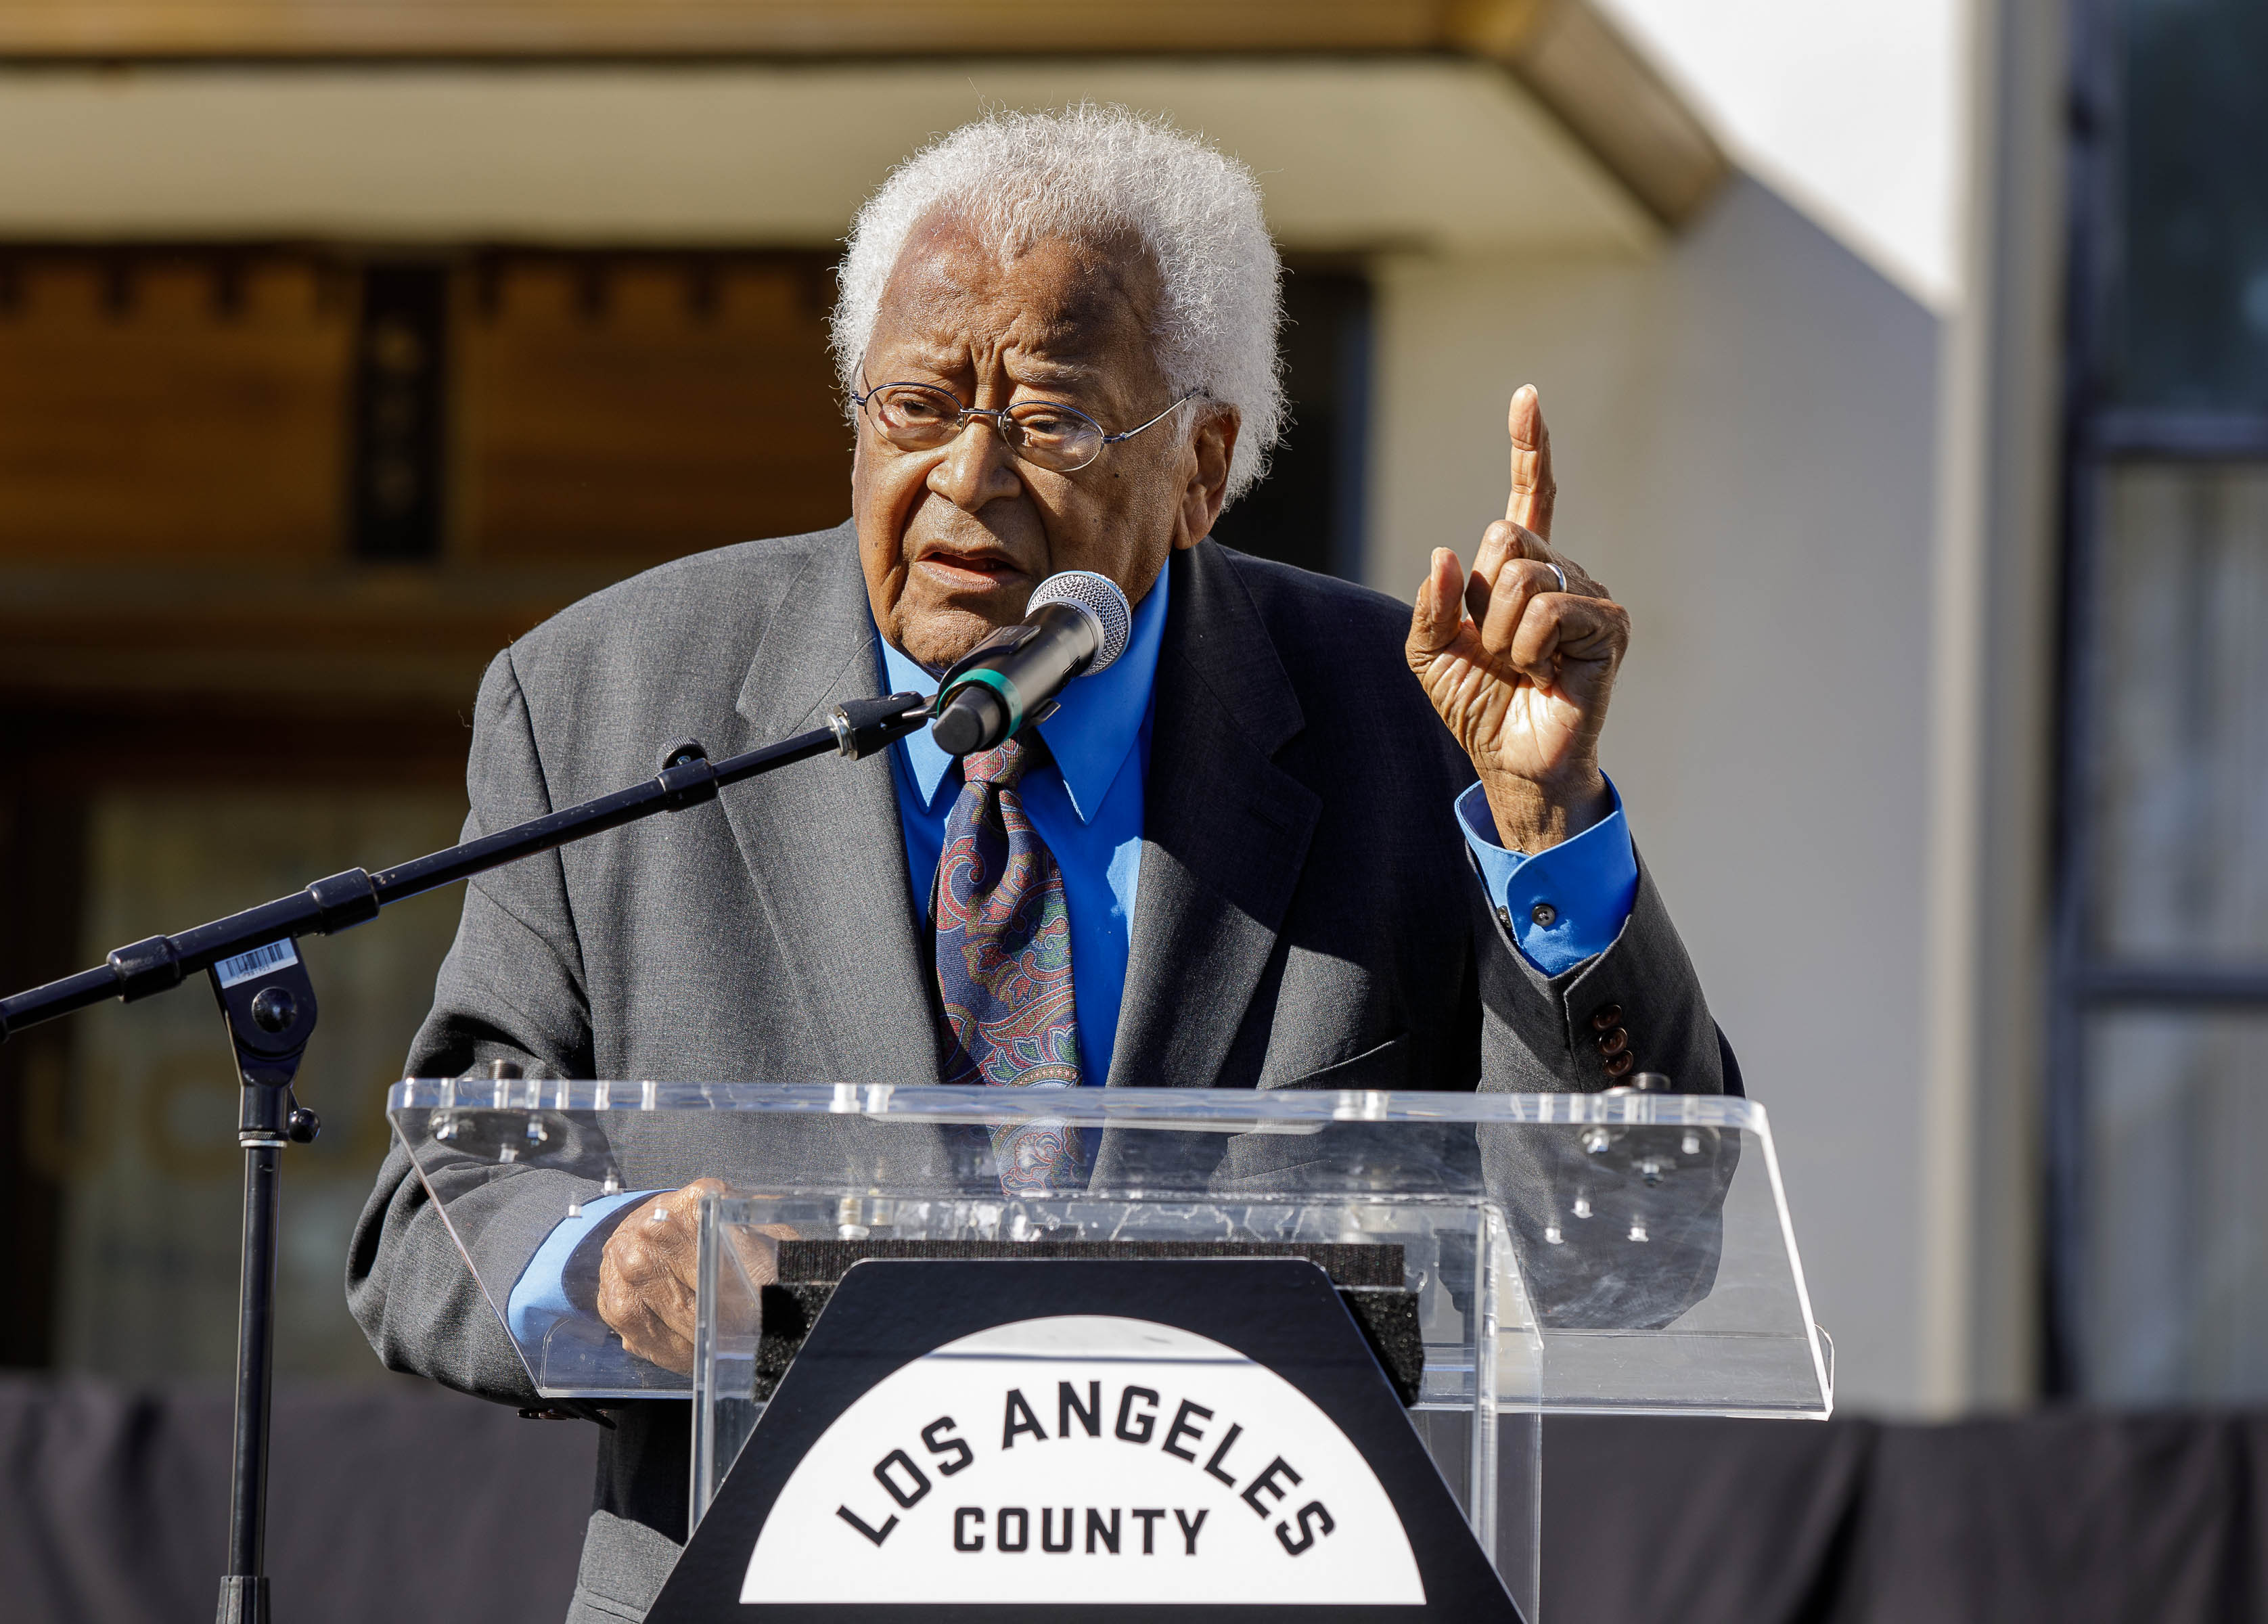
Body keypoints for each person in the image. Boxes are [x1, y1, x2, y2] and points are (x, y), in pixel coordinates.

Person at [349, 106, 1734, 1621]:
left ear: (1204, 466)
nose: (967, 478)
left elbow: (1635, 1249)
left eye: (1054, 420)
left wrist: (1544, 821)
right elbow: (437, 1211)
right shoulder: (609, 705)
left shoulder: (1407, 725)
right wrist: (611, 1267)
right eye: (915, 405)